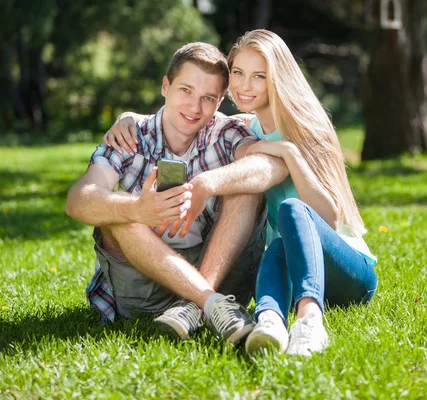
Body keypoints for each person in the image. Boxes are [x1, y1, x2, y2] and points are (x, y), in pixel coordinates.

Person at [105, 30, 378, 357]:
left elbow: (330, 219)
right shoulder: (247, 128)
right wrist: (129, 119)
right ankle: (270, 323)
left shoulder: (308, 128)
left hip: (346, 270)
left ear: (277, 78)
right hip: (293, 263)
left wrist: (289, 153)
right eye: (238, 73)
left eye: (259, 76)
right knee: (275, 249)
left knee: (292, 210)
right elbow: (190, 118)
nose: (245, 85)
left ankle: (309, 321)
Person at [66, 42, 289, 344]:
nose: (195, 108)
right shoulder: (131, 136)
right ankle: (208, 302)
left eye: (207, 98)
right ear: (165, 86)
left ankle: (195, 306)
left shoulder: (224, 133)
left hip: (220, 273)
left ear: (220, 101)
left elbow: (270, 167)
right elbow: (79, 199)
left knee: (245, 185)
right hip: (143, 288)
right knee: (117, 212)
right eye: (185, 90)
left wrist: (207, 182)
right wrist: (136, 210)